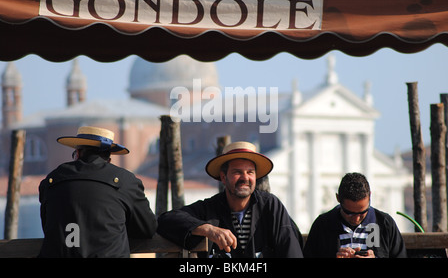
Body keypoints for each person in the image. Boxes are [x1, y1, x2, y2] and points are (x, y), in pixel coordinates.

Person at [157, 141, 303, 258]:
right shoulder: (209, 208)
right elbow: (166, 219)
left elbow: (290, 250)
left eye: (250, 172)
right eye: (237, 172)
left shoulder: (270, 206)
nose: (245, 178)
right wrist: (207, 229)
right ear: (223, 177)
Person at [38, 126, 157, 257]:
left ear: (77, 153)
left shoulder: (51, 180)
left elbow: (48, 226)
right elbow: (147, 229)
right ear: (109, 160)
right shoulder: (125, 181)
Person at [303, 172, 407, 258]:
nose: (356, 218)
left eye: (362, 212)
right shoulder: (323, 225)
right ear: (338, 199)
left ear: (370, 196)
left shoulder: (384, 223)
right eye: (349, 213)